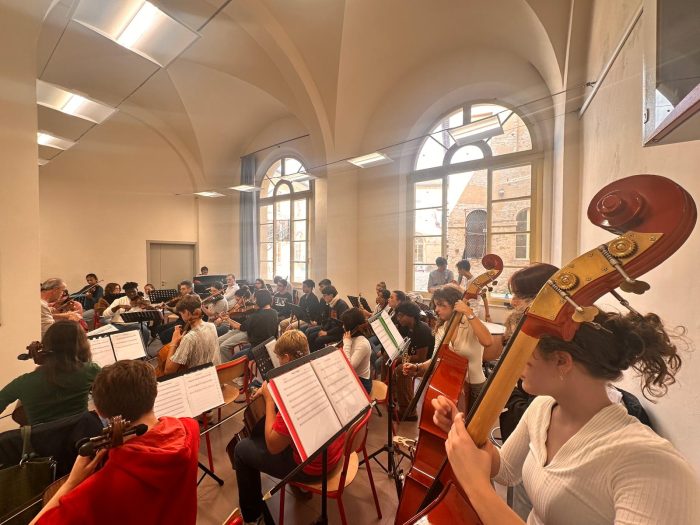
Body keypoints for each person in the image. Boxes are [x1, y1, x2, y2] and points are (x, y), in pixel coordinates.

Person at [432, 310, 700, 525]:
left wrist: (477, 487)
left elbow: (488, 482)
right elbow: (506, 471)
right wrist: (464, 432)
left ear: (562, 361)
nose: (513, 365)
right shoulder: (543, 407)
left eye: (523, 356)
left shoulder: (651, 465)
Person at [32, 360, 200, 525]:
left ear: (100, 412)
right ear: (155, 391)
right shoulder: (190, 429)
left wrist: (72, 483)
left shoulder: (105, 486)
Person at [233, 331, 345, 525]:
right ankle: (298, 489)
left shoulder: (295, 393)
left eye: (278, 358)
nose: (278, 362)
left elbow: (273, 446)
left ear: (286, 357)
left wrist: (269, 400)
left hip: (313, 466)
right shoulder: (318, 369)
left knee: (241, 449)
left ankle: (253, 517)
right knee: (280, 432)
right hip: (335, 452)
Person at [403, 284, 493, 408]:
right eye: (436, 305)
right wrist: (418, 367)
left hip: (474, 388)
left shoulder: (471, 322)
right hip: (451, 386)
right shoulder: (442, 328)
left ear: (455, 305)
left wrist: (468, 312)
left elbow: (487, 341)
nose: (436, 309)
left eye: (441, 305)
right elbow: (436, 359)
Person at [0, 321, 100, 425]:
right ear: (82, 347)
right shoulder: (90, 370)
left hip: (41, 440)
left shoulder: (22, 383)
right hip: (81, 438)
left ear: (45, 347)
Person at [393, 301, 434, 420]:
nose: (398, 318)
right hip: (412, 356)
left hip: (425, 363)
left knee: (402, 370)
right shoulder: (406, 327)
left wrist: (401, 358)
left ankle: (409, 412)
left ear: (411, 315)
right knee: (387, 359)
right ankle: (394, 395)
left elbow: (421, 358)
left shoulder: (422, 330)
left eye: (401, 315)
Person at [162, 295, 220, 375]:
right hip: (215, 374)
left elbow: (168, 371)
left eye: (181, 313)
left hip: (198, 380)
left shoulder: (189, 338)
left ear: (187, 312)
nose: (181, 316)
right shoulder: (211, 326)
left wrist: (174, 342)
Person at [218, 289, 278, 362]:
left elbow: (241, 327)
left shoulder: (257, 316)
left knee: (229, 353)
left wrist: (227, 319)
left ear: (259, 300)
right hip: (268, 344)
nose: (254, 302)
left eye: (255, 300)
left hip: (257, 348)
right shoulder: (274, 312)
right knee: (238, 346)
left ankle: (230, 369)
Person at [307, 285, 349, 352]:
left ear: (331, 295)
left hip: (339, 333)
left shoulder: (341, 305)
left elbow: (341, 326)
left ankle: (319, 357)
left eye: (325, 295)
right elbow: (330, 320)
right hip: (332, 329)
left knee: (318, 340)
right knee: (310, 334)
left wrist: (327, 332)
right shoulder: (331, 303)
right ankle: (311, 356)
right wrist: (323, 329)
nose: (323, 298)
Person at [341, 308, 372, 394]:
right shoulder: (351, 337)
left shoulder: (362, 343)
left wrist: (346, 344)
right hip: (353, 377)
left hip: (362, 382)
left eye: (344, 324)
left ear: (350, 326)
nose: (343, 327)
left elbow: (349, 367)